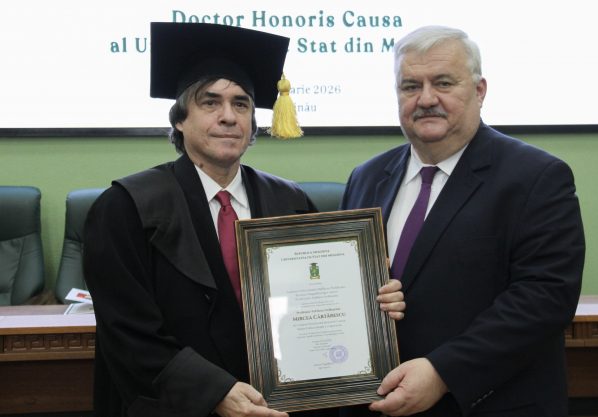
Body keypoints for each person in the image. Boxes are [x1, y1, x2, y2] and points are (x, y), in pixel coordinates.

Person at [83, 22, 405, 417]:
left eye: (241, 104)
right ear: (180, 119)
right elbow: (127, 332)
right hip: (179, 406)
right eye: (210, 103)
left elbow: (318, 299)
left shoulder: (289, 201)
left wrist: (372, 297)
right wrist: (214, 393)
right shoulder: (127, 208)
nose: (228, 117)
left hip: (277, 407)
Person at [340, 25, 585, 416]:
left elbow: (544, 299)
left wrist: (443, 372)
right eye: (410, 86)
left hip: (486, 404)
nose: (426, 99)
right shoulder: (366, 178)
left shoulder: (536, 177)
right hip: (380, 402)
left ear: (479, 90)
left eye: (443, 83)